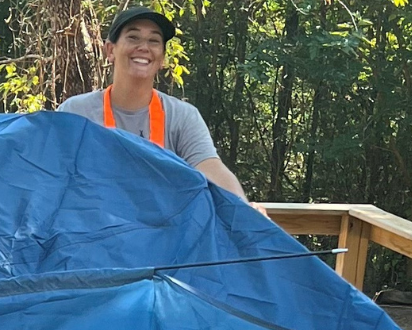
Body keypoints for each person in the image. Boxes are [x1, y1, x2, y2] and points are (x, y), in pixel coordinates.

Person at [57, 6, 268, 216]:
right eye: (133, 37)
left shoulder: (182, 116)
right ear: (110, 50)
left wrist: (242, 209)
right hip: (94, 238)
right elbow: (51, 176)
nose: (144, 47)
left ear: (162, 58)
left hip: (162, 239)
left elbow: (210, 166)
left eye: (154, 41)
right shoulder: (76, 112)